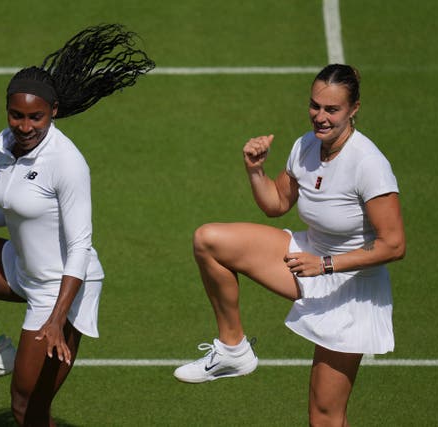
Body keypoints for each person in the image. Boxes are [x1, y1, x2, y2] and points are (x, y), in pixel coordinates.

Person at [0, 24, 154, 426]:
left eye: (35, 117)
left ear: (53, 112)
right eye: (16, 115)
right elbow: (9, 206)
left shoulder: (67, 163)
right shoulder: (8, 144)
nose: (24, 126)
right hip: (20, 267)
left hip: (61, 289)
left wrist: (55, 319)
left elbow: (80, 246)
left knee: (26, 410)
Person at [173, 64, 405, 426]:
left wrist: (325, 264)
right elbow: (277, 204)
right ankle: (233, 350)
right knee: (209, 240)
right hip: (307, 254)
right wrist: (255, 171)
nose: (320, 117)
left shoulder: (369, 165)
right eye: (315, 106)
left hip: (351, 287)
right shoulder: (306, 145)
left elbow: (393, 246)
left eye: (332, 110)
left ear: (354, 109)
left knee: (324, 417)